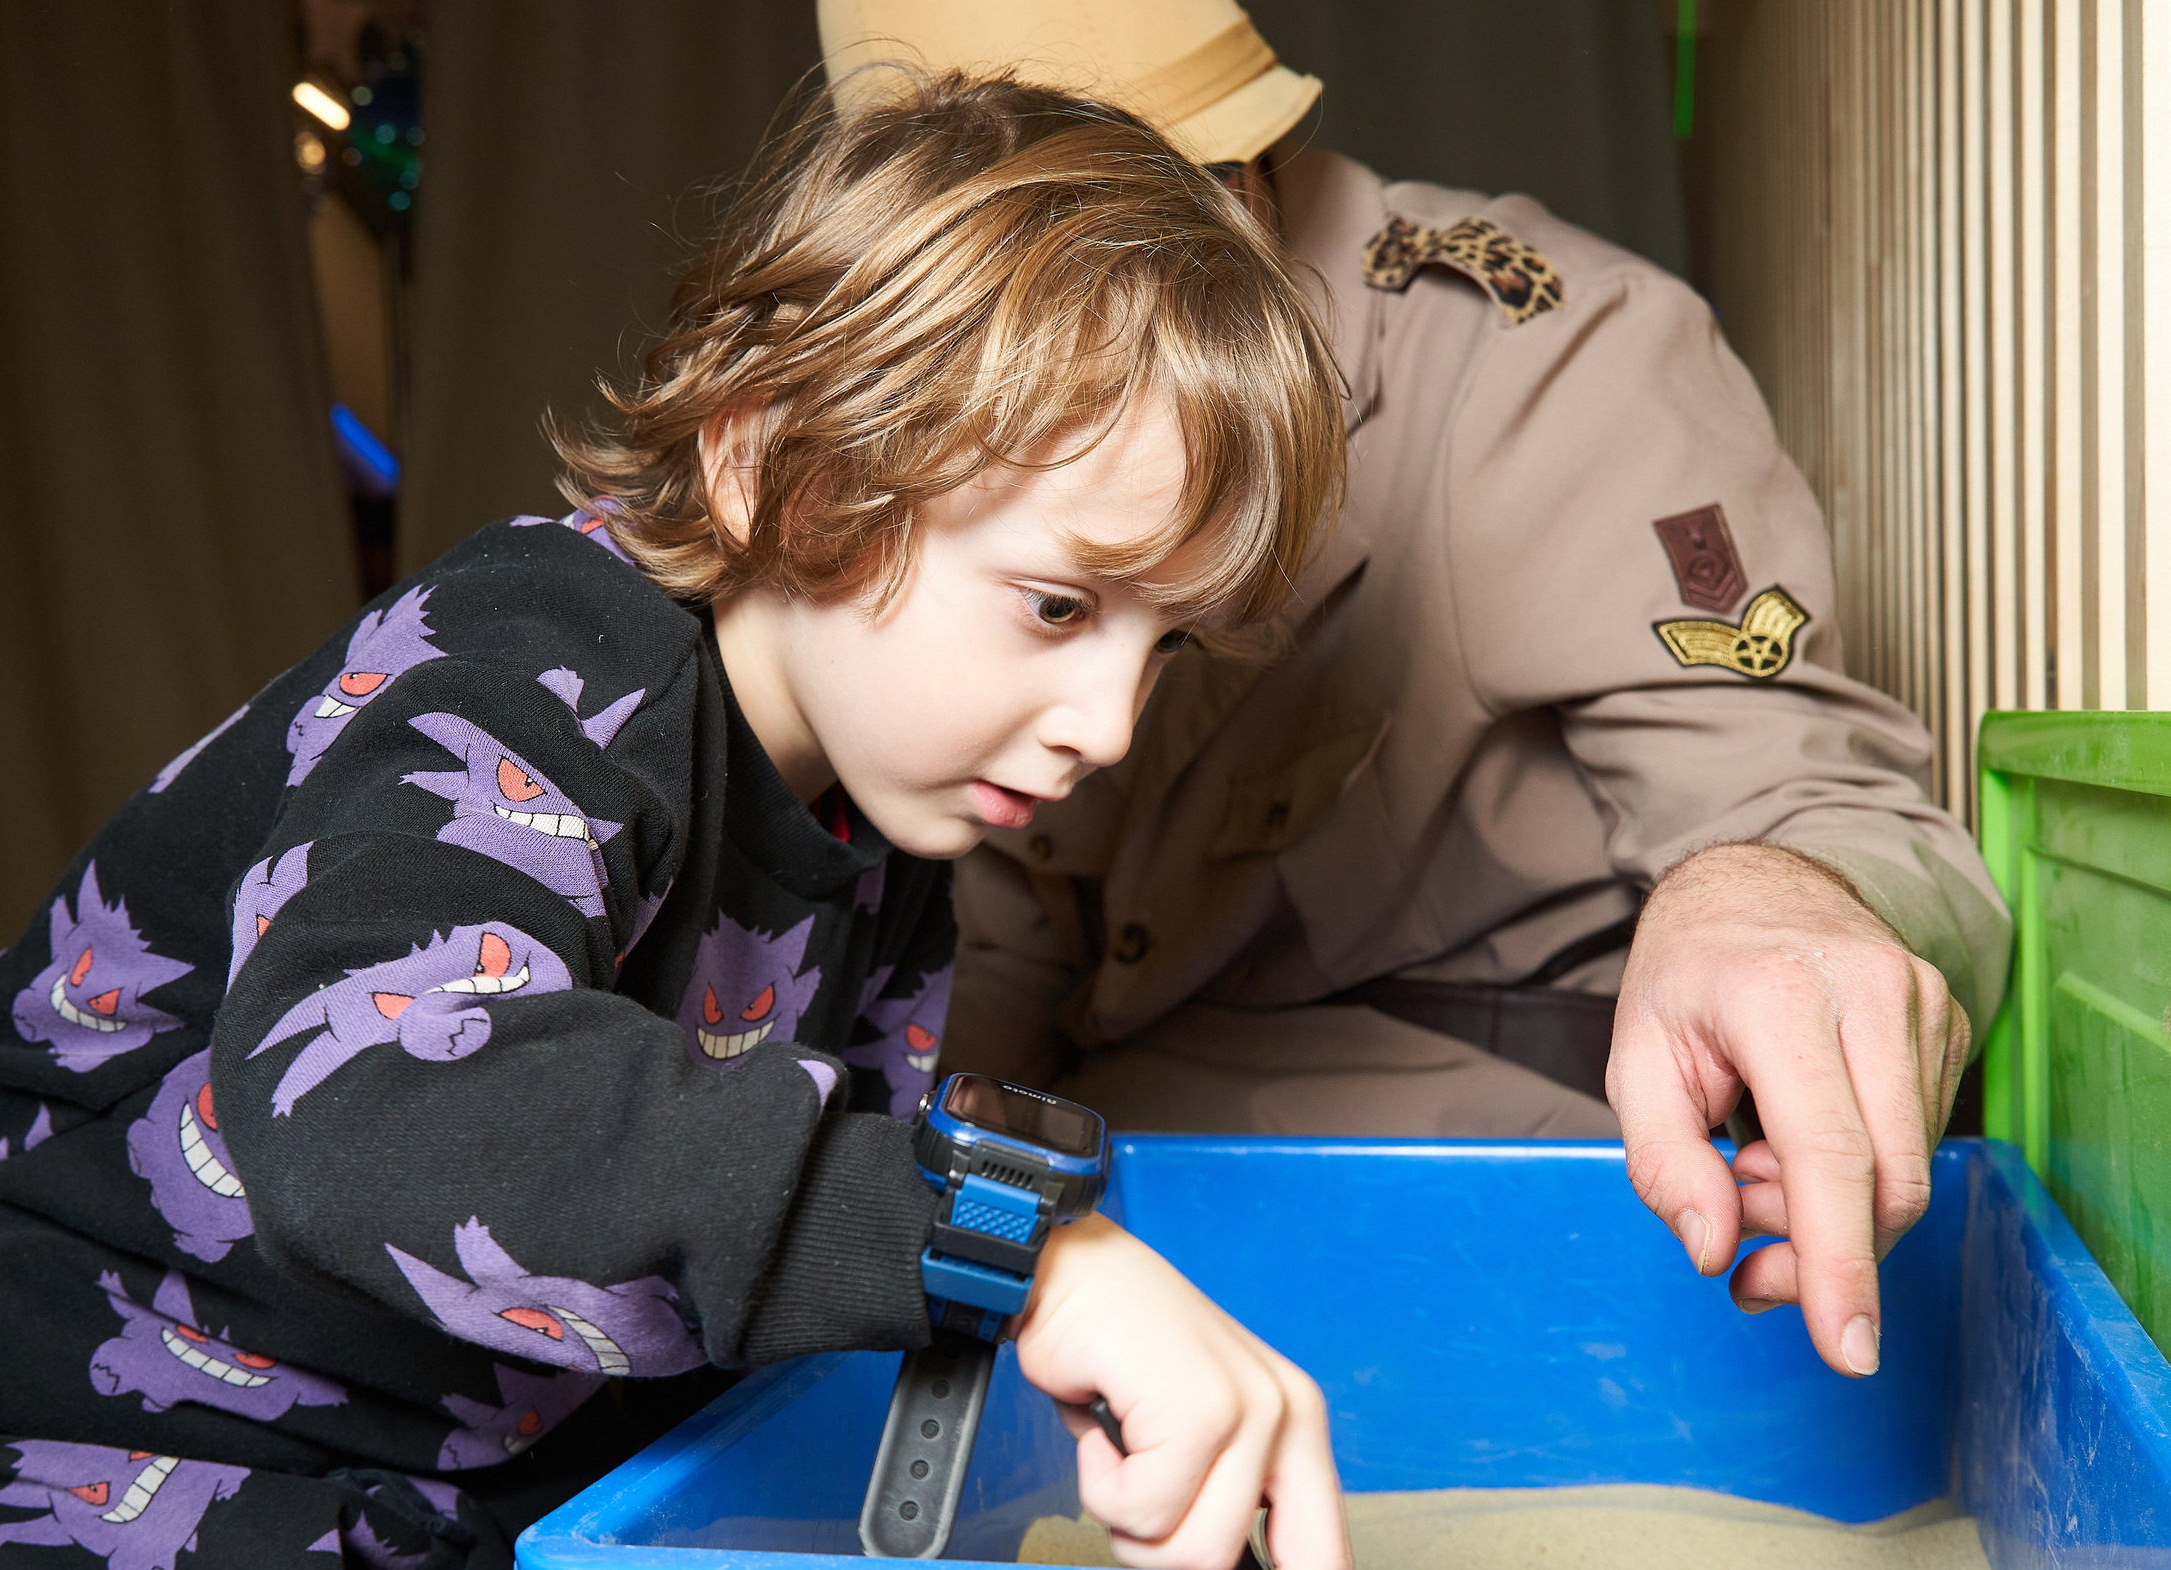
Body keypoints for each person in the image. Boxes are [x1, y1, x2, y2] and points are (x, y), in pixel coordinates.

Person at [0, 79, 1353, 1570]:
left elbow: (741, 1281)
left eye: (1168, 645)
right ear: (777, 470)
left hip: (443, 1452)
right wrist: (1017, 1254)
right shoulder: (541, 658)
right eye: (1061, 604)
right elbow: (372, 1093)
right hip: (31, 1415)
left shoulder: (891, 833)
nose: (1111, 727)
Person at [819, 1, 2013, 1386]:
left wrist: (1770, 893)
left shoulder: (1554, 358)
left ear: (1235, 183)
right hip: (1114, 1150)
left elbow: (1798, 791)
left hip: (1509, 1202)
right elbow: (1014, 932)